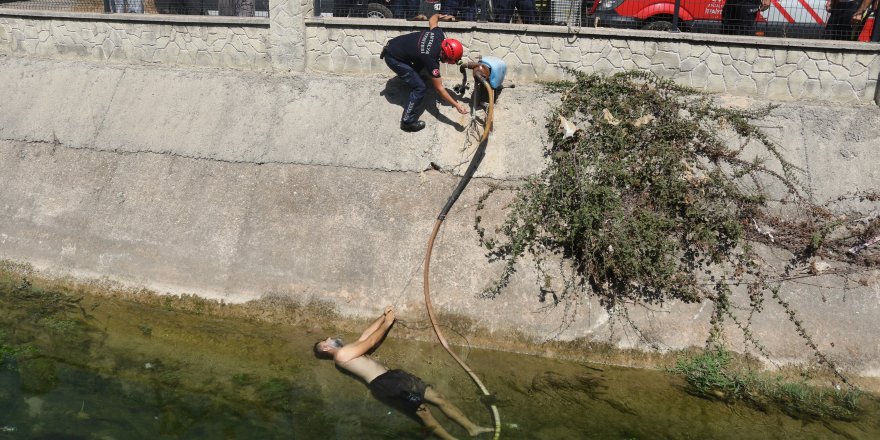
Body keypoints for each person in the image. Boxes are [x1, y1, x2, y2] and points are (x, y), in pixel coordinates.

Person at [314, 306, 493, 440]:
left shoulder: (346, 350)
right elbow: (370, 342)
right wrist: (388, 323)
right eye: (325, 340)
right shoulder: (341, 355)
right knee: (424, 412)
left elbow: (365, 335)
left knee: (438, 397)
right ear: (325, 347)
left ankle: (472, 428)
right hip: (387, 385)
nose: (329, 337)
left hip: (395, 378)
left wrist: (383, 316)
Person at [381, 13, 470, 132]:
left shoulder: (438, 35)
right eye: (449, 61)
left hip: (393, 45)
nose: (448, 63)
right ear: (444, 53)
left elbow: (433, 17)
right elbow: (440, 88)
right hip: (393, 58)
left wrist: (442, 16)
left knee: (420, 66)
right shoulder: (431, 60)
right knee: (420, 88)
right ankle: (407, 122)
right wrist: (457, 105)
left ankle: (413, 78)